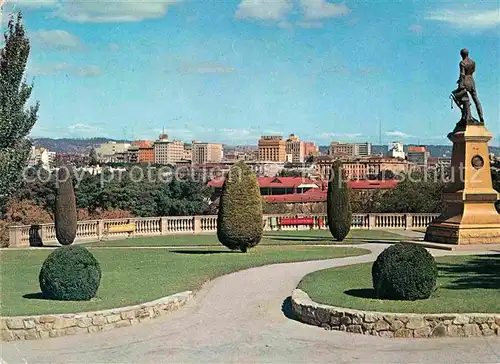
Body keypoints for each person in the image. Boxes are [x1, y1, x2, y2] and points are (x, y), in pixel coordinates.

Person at [451, 48, 484, 123]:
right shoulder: (473, 62)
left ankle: (466, 117)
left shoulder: (462, 63)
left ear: (461, 55)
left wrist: (460, 84)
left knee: (464, 99)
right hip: (472, 81)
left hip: (465, 81)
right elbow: (473, 71)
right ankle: (481, 117)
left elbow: (462, 74)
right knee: (476, 99)